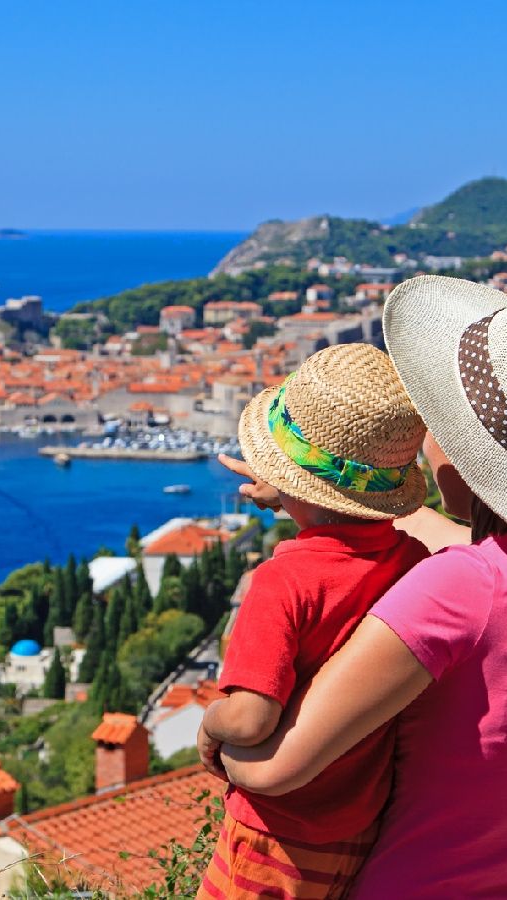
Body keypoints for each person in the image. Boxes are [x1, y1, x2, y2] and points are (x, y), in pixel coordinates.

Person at [212, 275, 507, 899]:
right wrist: (304, 491)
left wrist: (216, 745)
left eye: (436, 415)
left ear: (460, 448)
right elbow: (441, 539)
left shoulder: (459, 590)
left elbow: (277, 767)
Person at [196, 343, 431, 899]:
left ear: (288, 484)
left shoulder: (283, 582)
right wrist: (294, 488)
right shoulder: (414, 565)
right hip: (357, 828)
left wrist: (209, 724)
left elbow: (252, 718)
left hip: (272, 833)